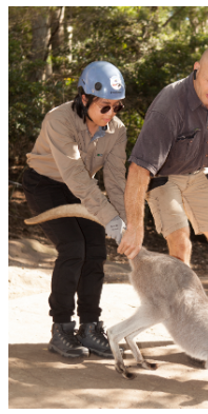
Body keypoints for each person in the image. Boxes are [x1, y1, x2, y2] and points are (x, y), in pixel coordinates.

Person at [117, 45, 208, 339]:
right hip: (163, 178)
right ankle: (188, 324)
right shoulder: (169, 105)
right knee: (180, 241)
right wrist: (133, 226)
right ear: (197, 68)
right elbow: (138, 170)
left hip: (198, 173)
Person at [22, 61, 128, 358]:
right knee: (73, 247)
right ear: (84, 98)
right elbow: (77, 178)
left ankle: (90, 327)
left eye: (117, 107)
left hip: (83, 188)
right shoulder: (59, 120)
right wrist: (110, 219)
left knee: (96, 251)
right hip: (45, 184)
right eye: (105, 107)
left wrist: (122, 223)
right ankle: (62, 329)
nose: (111, 115)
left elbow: (117, 182)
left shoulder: (116, 131)